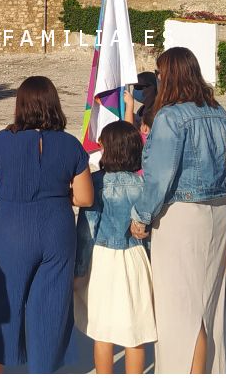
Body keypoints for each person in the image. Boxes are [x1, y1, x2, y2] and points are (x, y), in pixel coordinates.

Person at [0, 76, 94, 374]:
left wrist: (10, 189)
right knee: (50, 311)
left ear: (20, 105)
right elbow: (86, 198)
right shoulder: (70, 144)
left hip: (13, 229)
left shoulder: (2, 140)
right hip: (56, 228)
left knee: (5, 306)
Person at [129, 47, 226, 374]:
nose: (157, 79)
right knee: (209, 307)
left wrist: (141, 216)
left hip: (183, 216)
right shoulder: (218, 112)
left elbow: (159, 177)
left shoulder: (170, 117)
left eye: (160, 74)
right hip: (218, 211)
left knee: (179, 309)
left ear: (169, 75)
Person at [73, 121, 157, 374]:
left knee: (103, 331)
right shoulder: (144, 185)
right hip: (135, 256)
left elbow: (87, 230)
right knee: (136, 330)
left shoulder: (97, 182)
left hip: (102, 259)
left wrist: (79, 269)